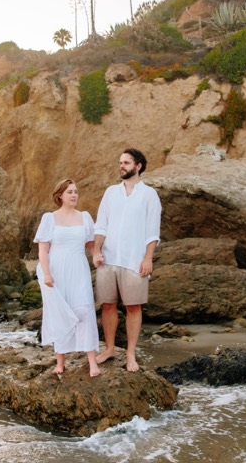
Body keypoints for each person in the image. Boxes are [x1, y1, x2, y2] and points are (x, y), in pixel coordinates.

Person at [92, 148, 162, 373]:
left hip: (134, 261)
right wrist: (96, 250)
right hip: (108, 259)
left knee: (133, 307)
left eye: (126, 162)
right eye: (120, 162)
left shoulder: (149, 195)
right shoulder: (111, 192)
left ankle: (131, 355)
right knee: (108, 305)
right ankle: (110, 348)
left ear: (138, 165)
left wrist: (148, 258)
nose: (121, 166)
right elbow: (101, 224)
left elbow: (152, 231)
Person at [34, 179, 102, 378]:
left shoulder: (85, 217)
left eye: (76, 192)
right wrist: (47, 273)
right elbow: (43, 250)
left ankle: (92, 361)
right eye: (70, 192)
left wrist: (96, 255)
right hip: (57, 267)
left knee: (84, 309)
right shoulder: (50, 218)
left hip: (78, 266)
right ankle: (60, 361)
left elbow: (90, 244)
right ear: (60, 195)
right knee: (60, 311)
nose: (74, 195)